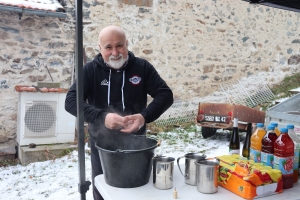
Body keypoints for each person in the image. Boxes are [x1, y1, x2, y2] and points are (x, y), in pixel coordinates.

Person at [65, 25, 173, 200]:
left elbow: (165, 94)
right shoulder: (91, 70)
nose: (115, 52)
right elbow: (71, 101)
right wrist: (102, 117)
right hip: (101, 146)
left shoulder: (142, 67)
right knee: (103, 192)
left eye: (119, 45)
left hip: (137, 145)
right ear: (100, 49)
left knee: (136, 192)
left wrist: (144, 116)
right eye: (108, 47)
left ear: (127, 44)